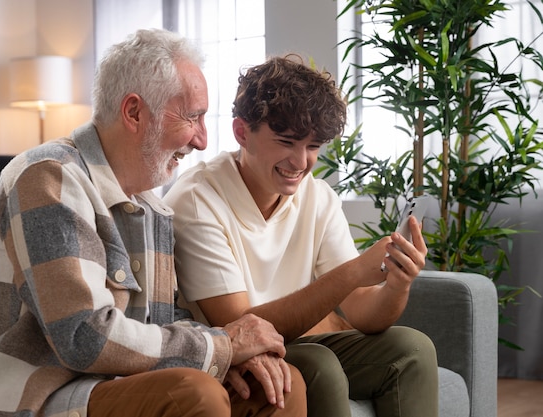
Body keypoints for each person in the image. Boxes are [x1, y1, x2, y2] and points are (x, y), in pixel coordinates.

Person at [0, 30, 308, 417]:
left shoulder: (151, 206)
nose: (204, 141)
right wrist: (221, 347)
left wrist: (231, 356)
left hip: (97, 381)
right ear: (134, 112)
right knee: (192, 394)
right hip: (7, 390)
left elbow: (160, 322)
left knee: (279, 386)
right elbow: (83, 336)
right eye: (193, 117)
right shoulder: (48, 179)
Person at [164, 55, 439, 417]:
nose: (301, 162)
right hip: (232, 354)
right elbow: (240, 325)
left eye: (312, 147)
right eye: (286, 142)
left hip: (298, 344)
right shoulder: (197, 200)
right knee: (318, 361)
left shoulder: (318, 196)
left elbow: (363, 313)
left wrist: (397, 284)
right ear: (242, 132)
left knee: (413, 348)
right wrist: (355, 271)